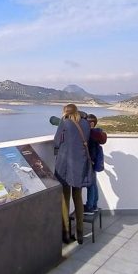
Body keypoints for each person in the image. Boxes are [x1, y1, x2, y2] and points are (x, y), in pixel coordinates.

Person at [53, 103, 93, 244]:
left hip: (65, 165)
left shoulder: (65, 122)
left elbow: (57, 141)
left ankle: (66, 233)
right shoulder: (86, 124)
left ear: (65, 112)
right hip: (80, 164)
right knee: (78, 198)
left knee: (65, 198)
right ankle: (80, 233)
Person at [85, 114, 107, 213]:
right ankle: (94, 205)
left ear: (91, 124)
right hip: (94, 161)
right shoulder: (97, 132)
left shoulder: (91, 133)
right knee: (93, 183)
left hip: (90, 161)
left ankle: (90, 207)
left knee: (90, 184)